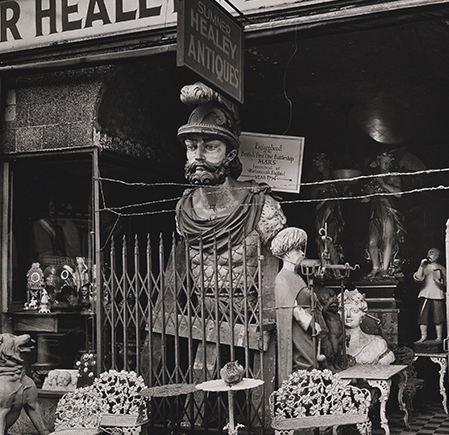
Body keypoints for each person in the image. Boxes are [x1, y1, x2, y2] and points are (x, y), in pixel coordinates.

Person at [143, 82, 286, 379]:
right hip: (202, 317)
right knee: (203, 379)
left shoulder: (262, 206)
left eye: (210, 147)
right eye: (192, 147)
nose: (198, 156)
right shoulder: (184, 211)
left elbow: (281, 271)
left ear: (231, 156)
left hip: (252, 320)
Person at [271, 227, 326, 385]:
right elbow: (292, 308)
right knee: (304, 364)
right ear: (287, 253)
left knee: (311, 365)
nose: (302, 253)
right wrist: (310, 323)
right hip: (298, 331)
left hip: (306, 331)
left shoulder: (295, 276)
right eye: (297, 249)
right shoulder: (283, 278)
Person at [362, 151, 405, 280]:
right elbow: (365, 199)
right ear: (378, 162)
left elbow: (399, 193)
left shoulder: (393, 177)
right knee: (371, 242)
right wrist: (366, 193)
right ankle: (375, 267)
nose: (387, 164)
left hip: (389, 211)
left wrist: (384, 184)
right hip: (375, 213)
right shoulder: (373, 180)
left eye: (389, 162)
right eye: (384, 161)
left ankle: (385, 270)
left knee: (388, 239)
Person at [309, 153, 344, 266]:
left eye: (319, 164)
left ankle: (335, 269)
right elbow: (311, 196)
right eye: (316, 165)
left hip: (333, 212)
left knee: (329, 239)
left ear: (326, 164)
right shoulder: (317, 179)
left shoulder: (335, 177)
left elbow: (343, 193)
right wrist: (320, 187)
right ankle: (325, 268)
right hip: (320, 211)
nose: (318, 167)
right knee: (320, 239)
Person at [343, 289, 394, 365]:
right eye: (344, 310)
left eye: (354, 311)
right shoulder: (329, 345)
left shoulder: (376, 344)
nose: (348, 315)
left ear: (362, 315)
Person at [412, 247, 447, 343]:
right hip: (425, 293)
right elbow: (418, 278)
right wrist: (421, 266)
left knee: (438, 316)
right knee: (422, 316)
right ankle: (423, 336)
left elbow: (446, 283)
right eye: (429, 253)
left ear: (437, 256)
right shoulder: (424, 267)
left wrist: (439, 282)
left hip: (437, 293)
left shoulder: (441, 268)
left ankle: (439, 337)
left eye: (432, 253)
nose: (429, 255)